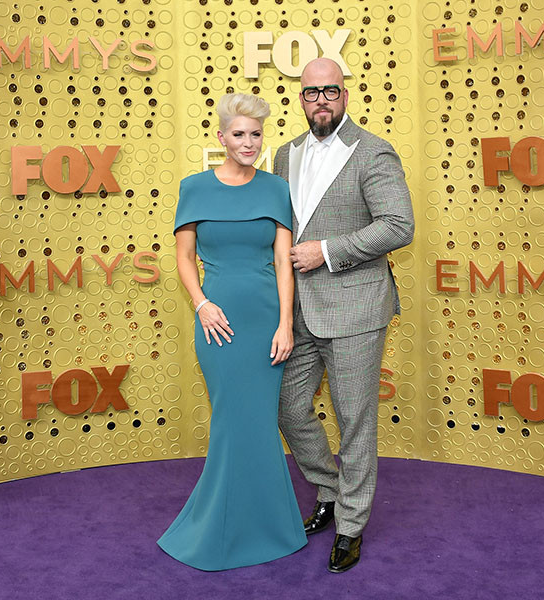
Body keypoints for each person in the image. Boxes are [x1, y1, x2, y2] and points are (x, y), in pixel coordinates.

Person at [273, 58, 415, 573]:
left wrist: (328, 250)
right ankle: (329, 492)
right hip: (300, 311)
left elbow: (399, 225)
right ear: (302, 98)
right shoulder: (284, 154)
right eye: (311, 93)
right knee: (287, 408)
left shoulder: (373, 151)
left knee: (355, 422)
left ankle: (351, 526)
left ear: (345, 95)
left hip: (356, 307)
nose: (321, 101)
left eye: (330, 91)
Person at [157, 93, 307, 570]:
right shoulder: (194, 187)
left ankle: (269, 528)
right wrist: (201, 305)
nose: (248, 143)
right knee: (229, 422)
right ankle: (218, 528)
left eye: (256, 135)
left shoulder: (275, 189)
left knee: (260, 423)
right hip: (217, 321)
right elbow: (183, 258)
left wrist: (286, 323)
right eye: (238, 134)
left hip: (266, 319)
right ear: (221, 137)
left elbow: (284, 261)